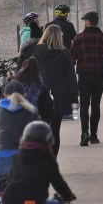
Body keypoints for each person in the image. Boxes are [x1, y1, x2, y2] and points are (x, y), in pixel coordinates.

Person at [0, 121, 77, 204]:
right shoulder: (48, 160)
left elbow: (11, 179)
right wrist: (68, 196)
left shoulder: (17, 157)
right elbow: (58, 183)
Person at [33, 25, 79, 155]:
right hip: (59, 95)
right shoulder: (64, 54)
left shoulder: (37, 51)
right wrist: (74, 98)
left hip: (40, 94)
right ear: (59, 37)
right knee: (55, 130)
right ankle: (52, 160)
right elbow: (70, 77)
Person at [70, 11, 103, 147]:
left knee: (84, 105)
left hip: (83, 76)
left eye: (85, 20)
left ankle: (84, 133)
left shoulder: (78, 38)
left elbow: (72, 58)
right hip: (99, 76)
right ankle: (94, 135)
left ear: (88, 21)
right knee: (96, 105)